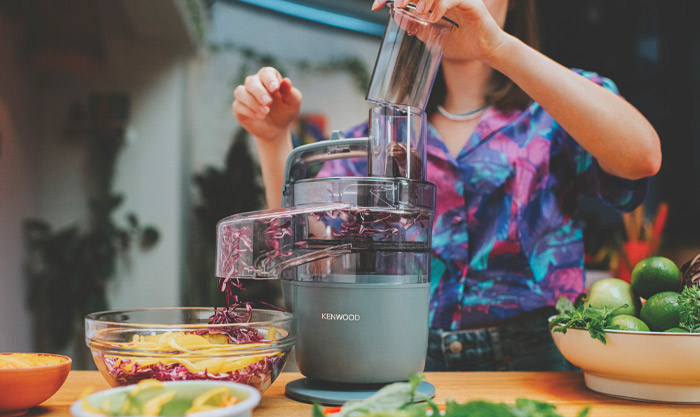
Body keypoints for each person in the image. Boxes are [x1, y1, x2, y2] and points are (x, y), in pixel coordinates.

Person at [232, 0, 662, 371]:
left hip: (541, 358)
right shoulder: (381, 138)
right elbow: (303, 251)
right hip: (408, 355)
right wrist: (274, 139)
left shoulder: (555, 110)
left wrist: (496, 46)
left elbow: (641, 158)